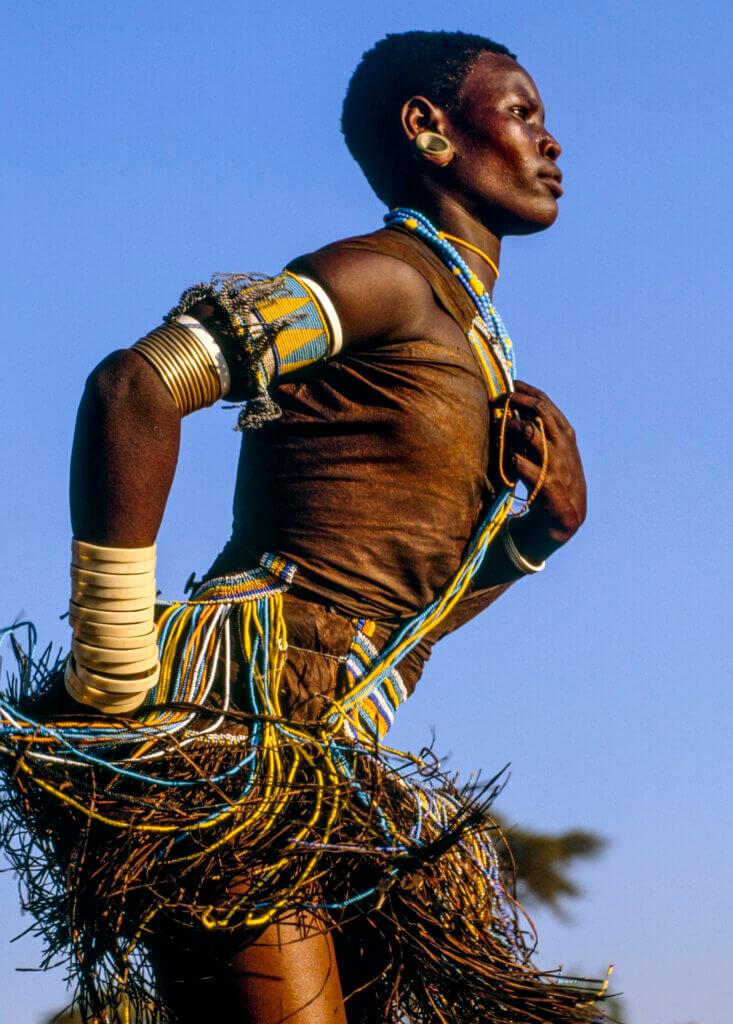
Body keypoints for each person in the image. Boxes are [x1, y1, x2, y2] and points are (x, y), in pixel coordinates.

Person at [0, 30, 601, 1024]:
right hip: (232, 733)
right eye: (523, 112)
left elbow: (395, 614)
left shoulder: (468, 335)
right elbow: (134, 386)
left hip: (330, 758)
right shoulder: (383, 281)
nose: (551, 143)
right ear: (429, 129)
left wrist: (537, 539)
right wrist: (113, 672)